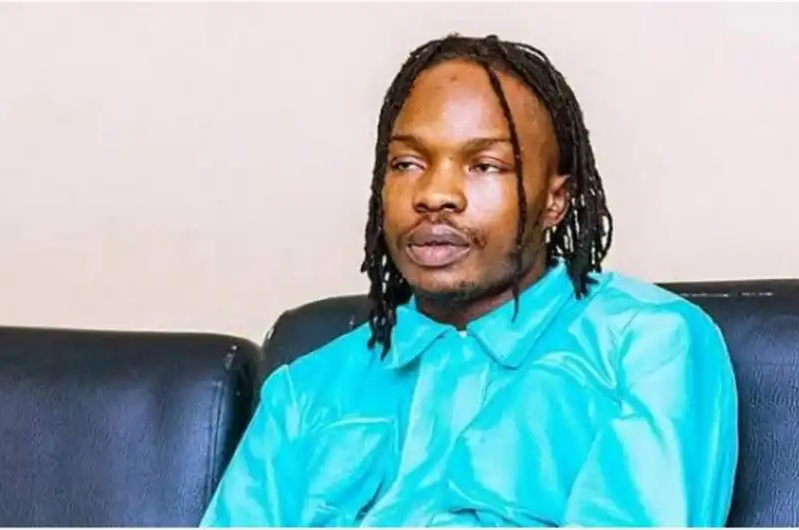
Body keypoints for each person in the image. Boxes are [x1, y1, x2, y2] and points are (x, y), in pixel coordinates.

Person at [200, 33, 739, 527]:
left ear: (556, 200)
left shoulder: (648, 345)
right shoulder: (304, 390)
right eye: (406, 163)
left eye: (484, 165)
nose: (434, 194)